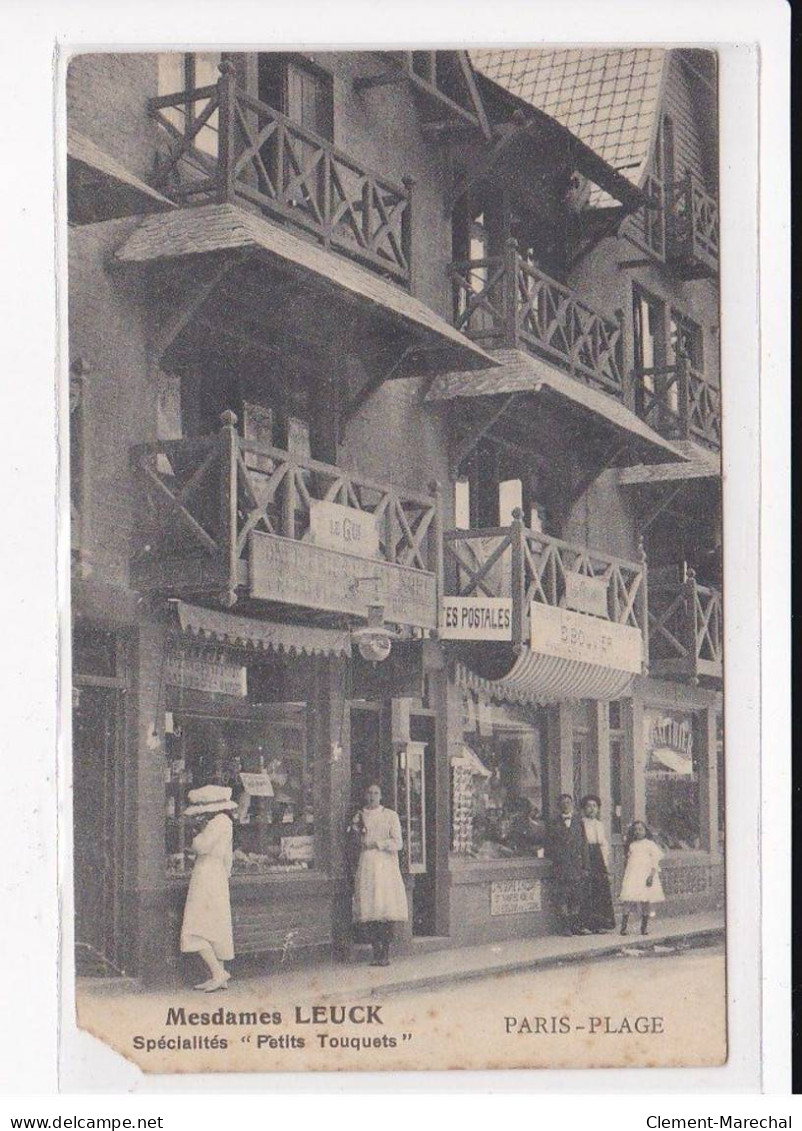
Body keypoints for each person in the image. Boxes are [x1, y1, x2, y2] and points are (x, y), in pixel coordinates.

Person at [180, 784, 237, 992]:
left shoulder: (216, 824)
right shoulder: (226, 822)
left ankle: (218, 972)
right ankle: (219, 975)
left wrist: (195, 835)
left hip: (205, 873)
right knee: (214, 924)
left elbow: (201, 846)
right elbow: (227, 858)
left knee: (194, 927)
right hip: (218, 874)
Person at [350, 783, 408, 966]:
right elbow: (355, 840)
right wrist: (356, 832)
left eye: (376, 793)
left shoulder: (390, 815)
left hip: (385, 865)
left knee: (385, 907)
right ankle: (376, 953)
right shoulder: (360, 815)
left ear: (381, 796)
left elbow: (398, 843)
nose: (372, 796)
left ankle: (385, 954)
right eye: (369, 792)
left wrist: (378, 844)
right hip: (367, 864)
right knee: (371, 908)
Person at [545, 794, 586, 935]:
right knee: (562, 896)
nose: (566, 805)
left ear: (572, 804)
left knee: (576, 897)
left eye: (568, 802)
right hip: (561, 865)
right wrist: (557, 857)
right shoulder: (553, 822)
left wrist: (585, 865)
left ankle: (575, 925)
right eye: (563, 803)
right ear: (558, 806)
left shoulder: (578, 821)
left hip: (576, 865)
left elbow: (584, 844)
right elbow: (548, 844)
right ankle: (565, 927)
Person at [619, 820, 665, 936]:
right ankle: (623, 927)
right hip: (633, 875)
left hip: (645, 875)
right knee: (628, 899)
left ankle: (643, 928)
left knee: (645, 901)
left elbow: (655, 860)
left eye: (641, 829)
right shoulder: (632, 845)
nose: (638, 832)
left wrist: (651, 875)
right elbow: (628, 861)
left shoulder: (649, 844)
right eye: (635, 830)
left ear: (645, 831)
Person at [578, 794, 616, 933]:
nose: (592, 809)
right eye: (589, 806)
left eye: (594, 806)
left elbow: (604, 845)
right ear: (583, 809)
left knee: (599, 891)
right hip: (586, 857)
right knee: (586, 891)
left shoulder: (600, 825)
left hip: (598, 859)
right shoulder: (580, 824)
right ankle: (585, 925)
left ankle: (600, 924)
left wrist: (605, 864)